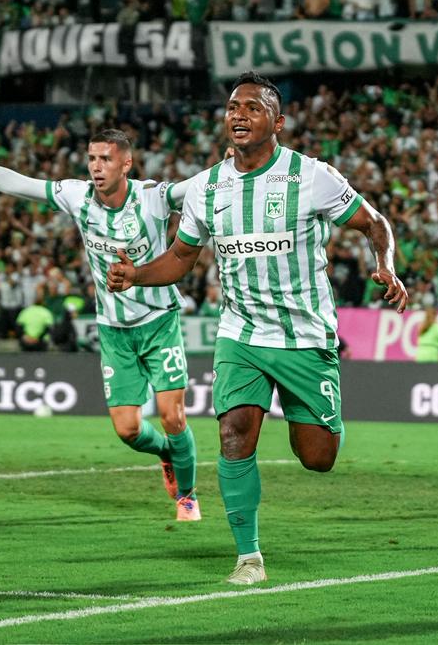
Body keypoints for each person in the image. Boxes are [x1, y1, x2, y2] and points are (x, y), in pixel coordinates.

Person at [107, 72, 408, 585]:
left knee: (317, 457)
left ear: (278, 121)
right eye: (232, 106)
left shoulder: (311, 177)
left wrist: (386, 264)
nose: (239, 114)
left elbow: (374, 222)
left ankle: (318, 419)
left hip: (305, 336)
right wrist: (137, 274)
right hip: (240, 335)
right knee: (233, 434)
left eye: (253, 106)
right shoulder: (206, 187)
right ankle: (248, 557)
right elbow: (182, 257)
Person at [0, 127, 205, 522]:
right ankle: (168, 454)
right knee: (128, 430)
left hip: (159, 321)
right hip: (113, 328)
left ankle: (187, 497)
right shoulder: (77, 195)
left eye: (105, 158)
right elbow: (13, 181)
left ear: (126, 163)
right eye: (92, 158)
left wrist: (237, 161)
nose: (97, 167)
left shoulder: (152, 198)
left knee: (173, 416)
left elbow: (197, 185)